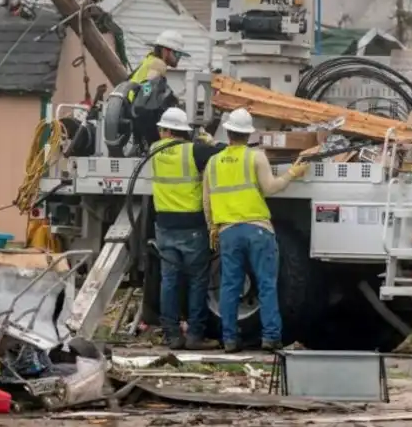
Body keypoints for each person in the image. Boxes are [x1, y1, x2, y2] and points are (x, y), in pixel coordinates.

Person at [202, 108, 309, 352]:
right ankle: (270, 338)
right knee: (266, 285)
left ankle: (230, 340)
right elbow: (270, 188)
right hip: (258, 230)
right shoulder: (256, 157)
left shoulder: (213, 163)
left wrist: (212, 227)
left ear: (228, 132)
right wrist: (292, 173)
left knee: (230, 286)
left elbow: (206, 200)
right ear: (248, 134)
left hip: (228, 231)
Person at [149, 107, 226, 350]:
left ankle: (172, 335)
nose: (159, 132)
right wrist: (209, 141)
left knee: (169, 282)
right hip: (192, 226)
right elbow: (222, 151)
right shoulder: (194, 150)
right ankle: (194, 336)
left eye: (162, 129)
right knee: (197, 281)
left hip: (164, 226)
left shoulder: (153, 150)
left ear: (167, 130)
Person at [127, 30, 187, 102]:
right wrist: (145, 98)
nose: (179, 58)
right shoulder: (159, 64)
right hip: (134, 105)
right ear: (165, 51)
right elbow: (147, 86)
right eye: (177, 54)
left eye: (180, 55)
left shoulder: (150, 59)